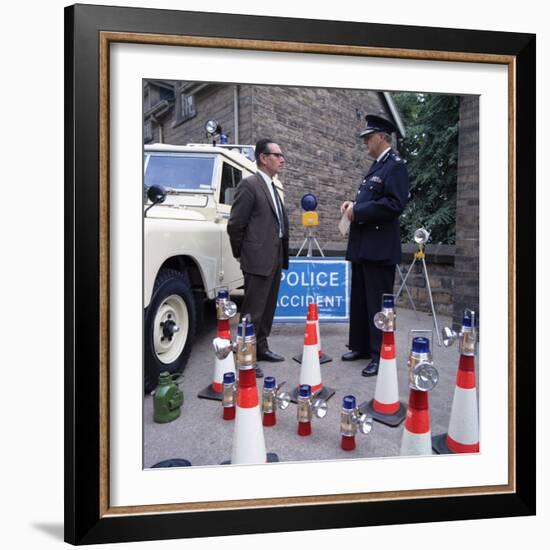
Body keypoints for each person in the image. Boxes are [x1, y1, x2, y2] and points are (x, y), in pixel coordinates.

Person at [340, 114, 409, 377]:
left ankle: (380, 354)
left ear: (381, 137)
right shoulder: (377, 167)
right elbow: (369, 202)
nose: (365, 143)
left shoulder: (396, 166)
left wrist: (360, 211)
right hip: (363, 247)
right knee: (360, 299)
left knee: (378, 304)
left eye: (368, 138)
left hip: (379, 249)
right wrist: (352, 206)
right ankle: (360, 346)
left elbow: (395, 204)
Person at [227, 138, 289, 377]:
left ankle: (261, 348)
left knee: (267, 309)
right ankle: (246, 357)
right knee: (252, 312)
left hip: (273, 258)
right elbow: (235, 225)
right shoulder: (249, 185)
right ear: (263, 158)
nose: (282, 159)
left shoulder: (272, 186)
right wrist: (243, 253)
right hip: (256, 259)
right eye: (277, 155)